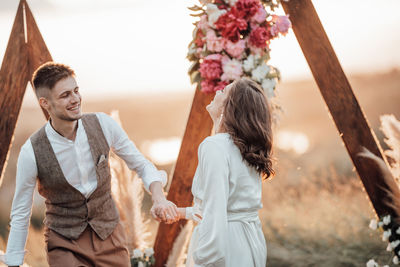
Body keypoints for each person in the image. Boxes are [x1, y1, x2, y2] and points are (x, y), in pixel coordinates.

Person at [3, 62, 179, 267]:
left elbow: (141, 164)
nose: (75, 99)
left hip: (110, 238)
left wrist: (159, 198)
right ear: (45, 103)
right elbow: (22, 209)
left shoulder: (103, 125)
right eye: (65, 95)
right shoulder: (31, 151)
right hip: (64, 244)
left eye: (76, 91)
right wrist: (14, 260)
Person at [178, 78, 274, 267]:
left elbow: (215, 209)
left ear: (230, 108)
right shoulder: (245, 146)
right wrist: (182, 212)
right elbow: (224, 204)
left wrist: (204, 258)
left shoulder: (214, 146)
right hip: (250, 240)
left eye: (224, 90)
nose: (217, 92)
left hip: (223, 244)